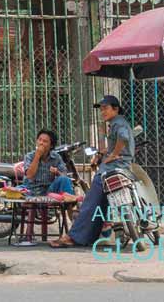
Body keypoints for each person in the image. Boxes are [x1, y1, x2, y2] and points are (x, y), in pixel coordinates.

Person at [51, 96, 135, 248]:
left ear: (115, 109)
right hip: (119, 166)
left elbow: (123, 138)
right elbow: (113, 144)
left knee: (90, 201)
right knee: (99, 204)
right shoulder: (115, 124)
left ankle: (74, 236)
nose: (102, 111)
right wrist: (104, 152)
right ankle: (86, 237)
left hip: (112, 168)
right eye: (101, 109)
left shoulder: (118, 123)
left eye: (105, 108)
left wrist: (114, 154)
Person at [21, 129, 74, 196]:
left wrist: (57, 172)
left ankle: (69, 203)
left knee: (64, 179)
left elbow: (64, 176)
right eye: (39, 140)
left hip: (49, 191)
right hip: (30, 190)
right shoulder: (29, 156)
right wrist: (37, 156)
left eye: (45, 141)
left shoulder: (56, 157)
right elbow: (29, 175)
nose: (41, 143)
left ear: (51, 145)